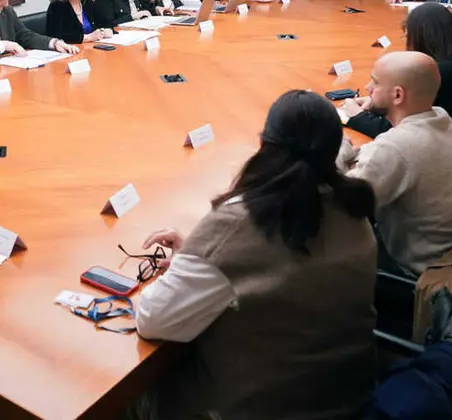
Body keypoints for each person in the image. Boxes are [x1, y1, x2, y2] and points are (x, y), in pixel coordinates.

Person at [133, 90, 377, 419]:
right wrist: (202, 259)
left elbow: (152, 319)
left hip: (253, 407)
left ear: (264, 144)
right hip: (346, 399)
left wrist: (197, 259)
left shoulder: (238, 223)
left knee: (130, 396)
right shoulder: (354, 210)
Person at [338, 52, 452, 275]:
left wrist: (339, 153)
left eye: (375, 82)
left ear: (398, 95)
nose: (367, 87)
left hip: (423, 270)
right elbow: (390, 155)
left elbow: (339, 202)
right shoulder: (440, 117)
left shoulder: (395, 147)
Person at [343, 3, 452, 178]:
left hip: (449, 168)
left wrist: (356, 117)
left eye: (408, 38)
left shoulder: (440, 74)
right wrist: (379, 101)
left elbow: (402, 132)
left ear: (422, 38)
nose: (407, 45)